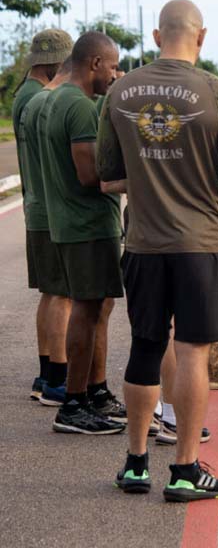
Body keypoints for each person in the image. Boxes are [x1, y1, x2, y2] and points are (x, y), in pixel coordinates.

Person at [98, 0, 218, 501]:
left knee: (146, 347)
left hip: (143, 242)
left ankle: (136, 464)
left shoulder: (120, 91)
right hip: (200, 243)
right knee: (192, 351)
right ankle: (187, 471)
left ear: (155, 36)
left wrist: (150, 175)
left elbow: (108, 176)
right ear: (202, 36)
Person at [37, 31, 126, 434]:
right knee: (86, 312)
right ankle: (73, 405)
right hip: (87, 225)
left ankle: (93, 393)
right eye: (111, 66)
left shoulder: (56, 100)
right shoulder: (79, 107)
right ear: (94, 64)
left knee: (94, 309)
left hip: (70, 222)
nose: (114, 74)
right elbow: (90, 175)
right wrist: (138, 176)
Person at [12, 29, 73, 402]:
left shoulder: (23, 95)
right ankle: (57, 381)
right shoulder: (44, 99)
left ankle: (45, 374)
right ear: (55, 64)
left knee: (50, 294)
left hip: (35, 203)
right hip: (51, 206)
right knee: (62, 296)